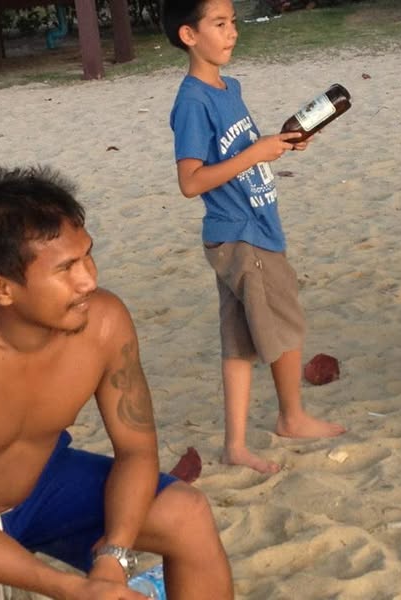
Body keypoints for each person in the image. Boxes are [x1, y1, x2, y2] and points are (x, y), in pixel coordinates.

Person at [0, 166, 233, 600]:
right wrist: (73, 589)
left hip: (37, 486)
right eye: (66, 268)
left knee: (187, 513)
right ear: (1, 289)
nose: (89, 279)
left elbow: (136, 451)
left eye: (87, 255)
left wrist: (113, 557)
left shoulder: (104, 324)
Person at [161, 0, 346, 474]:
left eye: (233, 23)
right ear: (188, 35)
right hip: (242, 235)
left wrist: (275, 147)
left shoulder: (228, 87)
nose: (231, 33)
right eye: (219, 24)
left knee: (239, 342)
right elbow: (191, 181)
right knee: (285, 322)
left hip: (250, 224)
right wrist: (256, 153)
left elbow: (238, 153)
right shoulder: (193, 101)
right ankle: (292, 415)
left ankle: (237, 445)